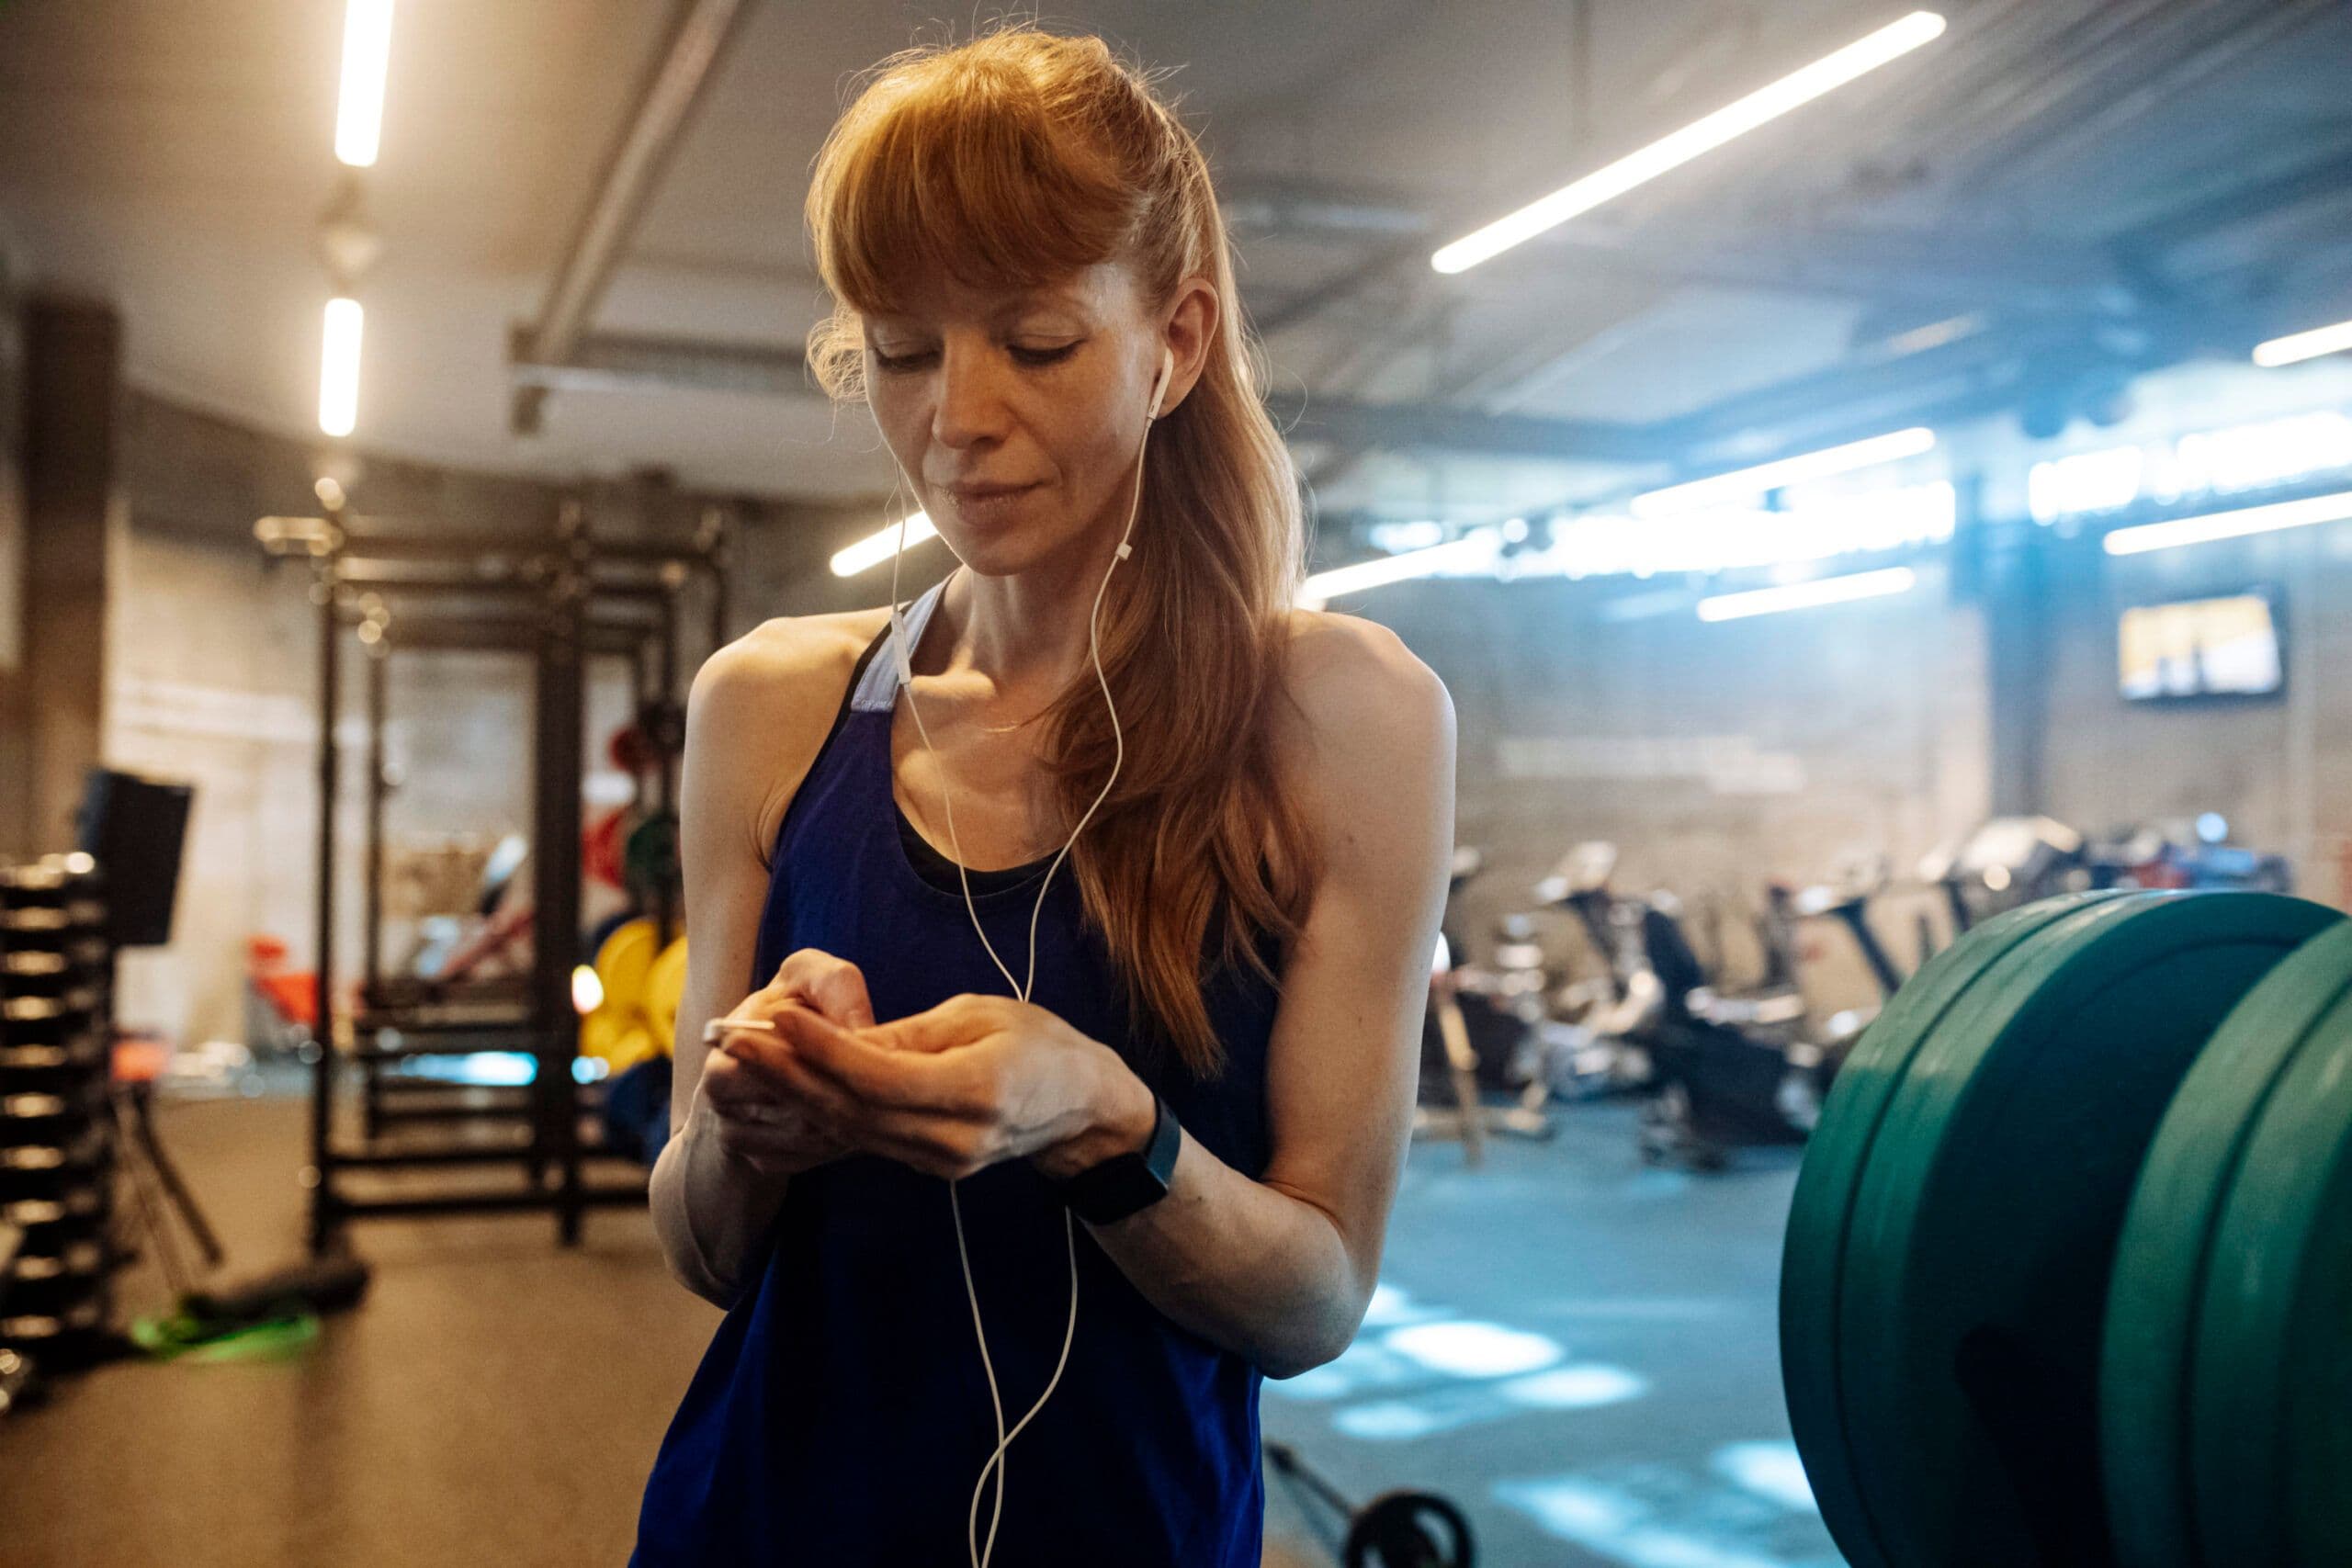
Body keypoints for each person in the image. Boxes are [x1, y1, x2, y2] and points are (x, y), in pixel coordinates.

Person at [631, 27, 1454, 1568]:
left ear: (1176, 344)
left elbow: (1317, 1299)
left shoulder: (1345, 719)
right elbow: (702, 1252)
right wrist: (752, 1126)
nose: (956, 417)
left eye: (1034, 341)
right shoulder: (769, 706)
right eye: (902, 350)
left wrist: (1105, 1122)